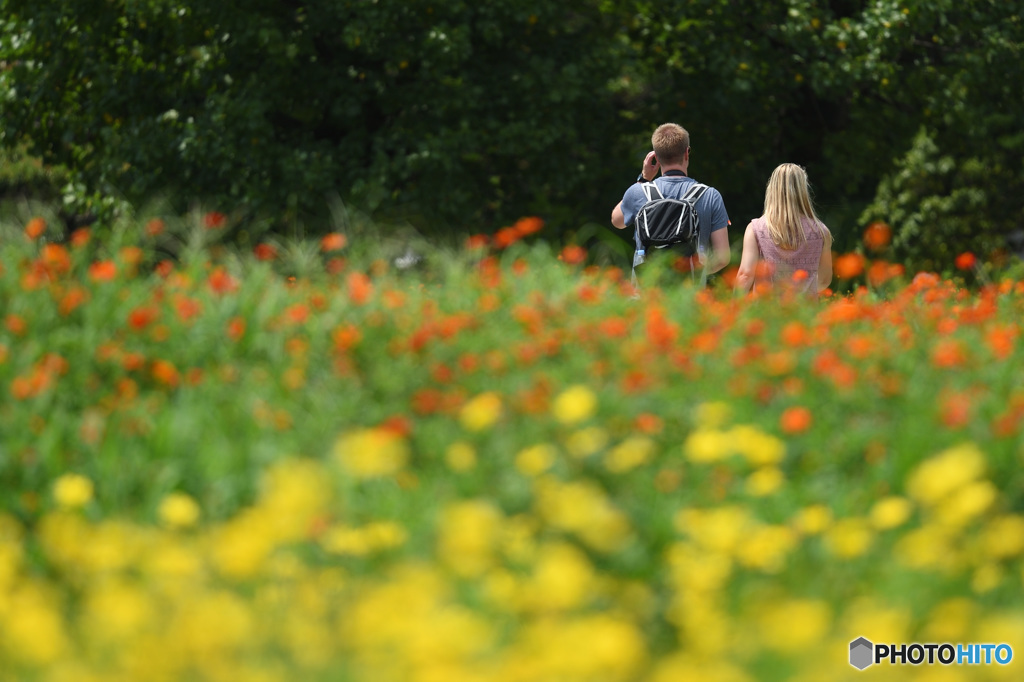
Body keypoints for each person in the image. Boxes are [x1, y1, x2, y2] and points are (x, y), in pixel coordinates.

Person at [611, 123, 731, 284]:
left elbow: (616, 221)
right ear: (687, 153)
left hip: (646, 298)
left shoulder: (638, 192)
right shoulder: (710, 195)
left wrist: (643, 179)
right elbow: (722, 258)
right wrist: (690, 272)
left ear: (656, 157)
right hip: (688, 299)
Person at [734, 163, 832, 296]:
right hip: (805, 313)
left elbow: (745, 275)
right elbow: (824, 280)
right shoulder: (821, 231)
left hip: (767, 313)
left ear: (772, 189)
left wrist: (733, 307)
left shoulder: (755, 229)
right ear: (803, 190)